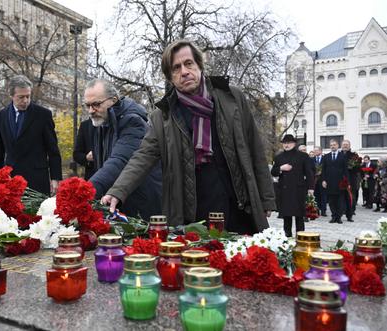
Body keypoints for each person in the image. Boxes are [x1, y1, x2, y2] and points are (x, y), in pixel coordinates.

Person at [101, 40, 276, 234]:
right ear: (170, 77)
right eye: (176, 68)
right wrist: (118, 191)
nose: (184, 71)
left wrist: (266, 198)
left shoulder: (232, 98)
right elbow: (142, 157)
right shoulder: (163, 117)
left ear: (199, 65)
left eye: (189, 63)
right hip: (194, 212)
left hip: (238, 205)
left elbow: (254, 149)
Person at [84, 79, 162, 220]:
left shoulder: (133, 122)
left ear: (113, 100)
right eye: (87, 105)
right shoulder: (102, 122)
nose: (91, 111)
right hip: (118, 201)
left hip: (140, 205)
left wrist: (84, 192)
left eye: (96, 104)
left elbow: (118, 161)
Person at [0, 75, 62, 195]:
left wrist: (55, 178)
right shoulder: (0, 116)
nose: (25, 101)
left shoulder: (43, 115)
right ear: (11, 95)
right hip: (10, 181)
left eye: (28, 96)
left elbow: (53, 150)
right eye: (21, 97)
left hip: (37, 181)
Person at [271, 135, 314, 237]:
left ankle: (300, 237)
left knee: (299, 216)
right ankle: (287, 236)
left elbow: (309, 173)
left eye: (289, 143)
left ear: (294, 144)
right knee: (286, 216)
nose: (286, 145)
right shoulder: (279, 157)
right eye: (285, 143)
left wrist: (311, 188)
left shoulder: (303, 156)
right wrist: (281, 168)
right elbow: (273, 172)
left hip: (298, 189)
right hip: (285, 190)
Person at [322, 139, 348, 224]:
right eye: (331, 145)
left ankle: (338, 217)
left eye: (334, 144)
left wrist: (347, 182)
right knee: (331, 201)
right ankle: (333, 216)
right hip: (329, 182)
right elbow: (323, 170)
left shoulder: (343, 156)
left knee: (340, 201)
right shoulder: (326, 156)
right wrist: (324, 180)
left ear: (338, 145)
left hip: (340, 183)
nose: (332, 146)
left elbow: (345, 170)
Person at [341, 140, 360, 221]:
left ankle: (350, 213)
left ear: (349, 146)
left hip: (351, 179)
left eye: (346, 145)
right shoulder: (338, 154)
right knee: (341, 196)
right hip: (340, 179)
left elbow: (358, 168)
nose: (345, 146)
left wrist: (351, 167)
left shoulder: (354, 155)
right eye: (344, 144)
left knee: (351, 197)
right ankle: (342, 211)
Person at [313, 146, 327, 216]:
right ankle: (317, 210)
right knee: (316, 196)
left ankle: (323, 211)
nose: (315, 152)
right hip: (315, 181)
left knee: (323, 196)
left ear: (320, 151)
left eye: (316, 150)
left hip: (322, 180)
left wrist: (325, 180)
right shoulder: (312, 159)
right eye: (314, 151)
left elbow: (327, 170)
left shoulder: (325, 159)